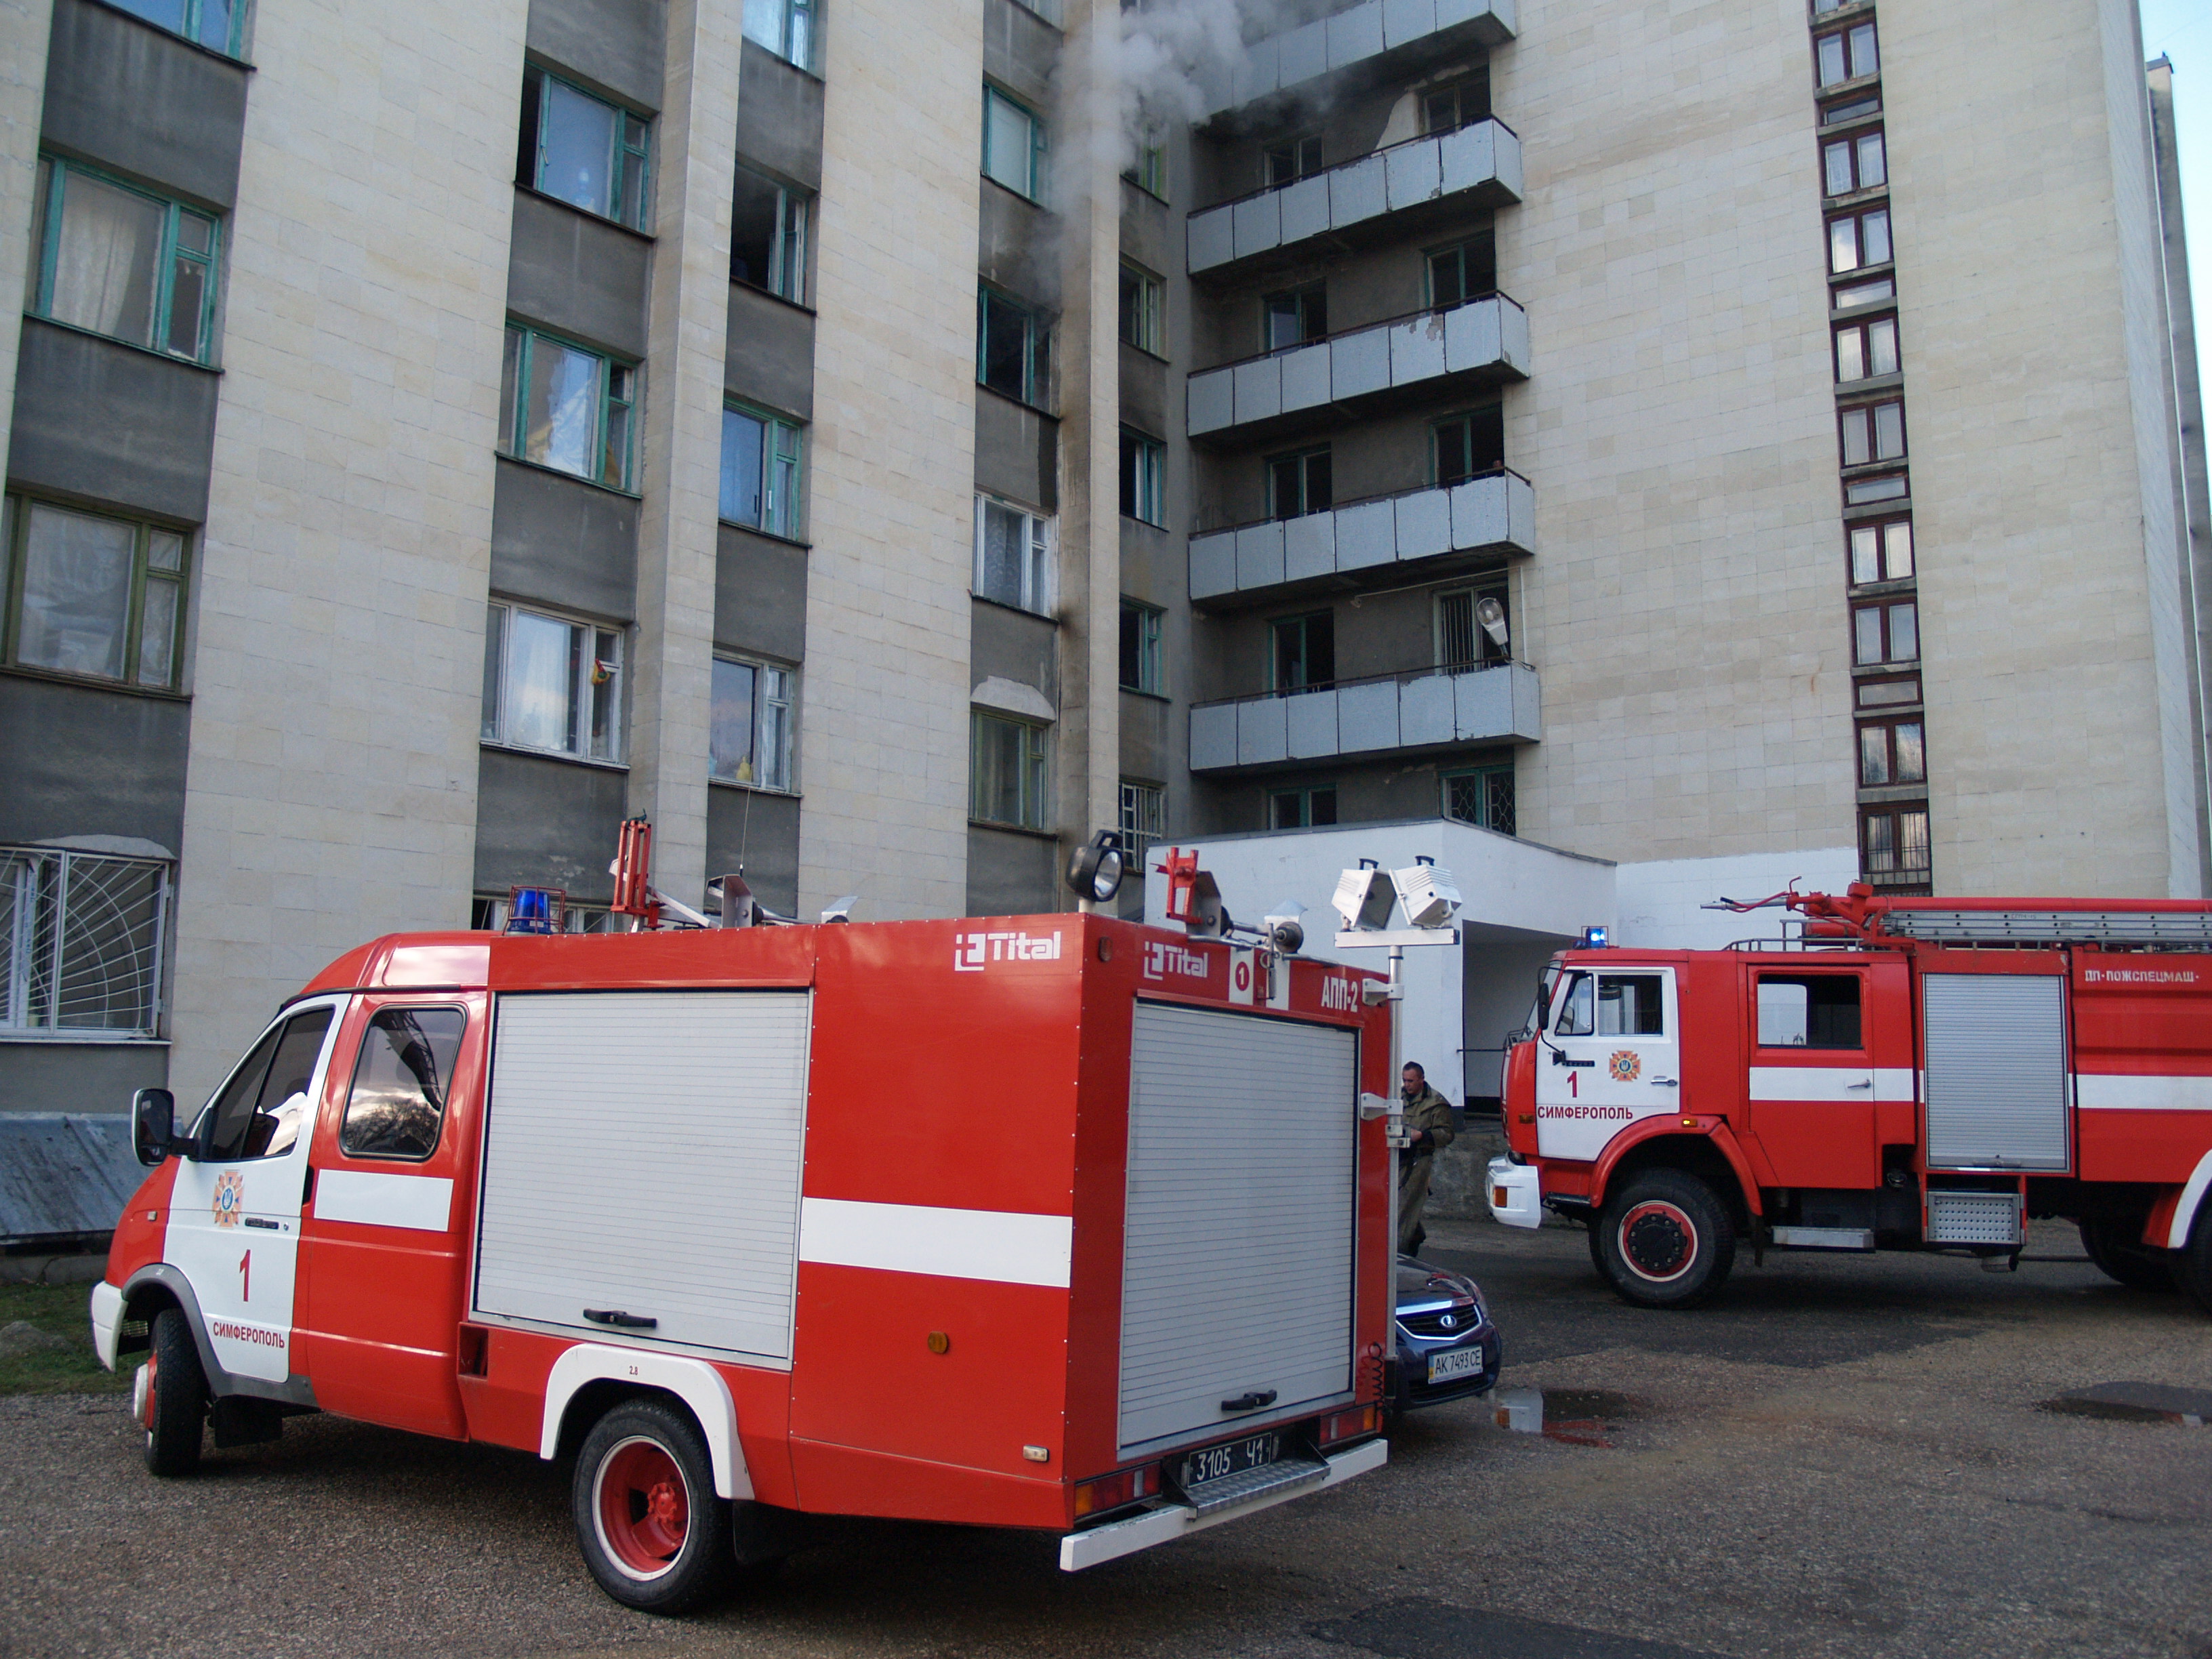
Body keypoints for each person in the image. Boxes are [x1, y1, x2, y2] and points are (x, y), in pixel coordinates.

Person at [1397, 1061, 1456, 1255]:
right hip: (1397, 1158)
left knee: (1404, 1206)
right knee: (1399, 1204)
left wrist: (1423, 1136)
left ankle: (1401, 1253)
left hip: (1419, 1161)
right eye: (1405, 1080)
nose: (1407, 1085)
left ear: (1422, 1080)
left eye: (1411, 1081)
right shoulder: (1397, 1098)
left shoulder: (1436, 1103)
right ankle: (1414, 1236)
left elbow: (1447, 1134)